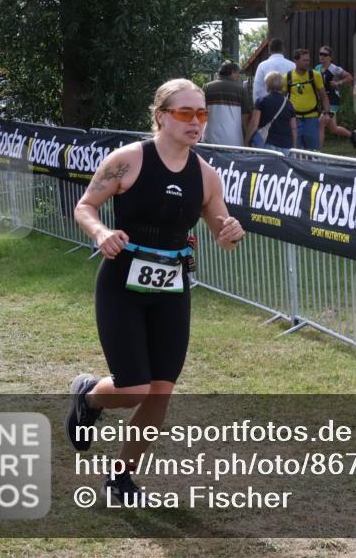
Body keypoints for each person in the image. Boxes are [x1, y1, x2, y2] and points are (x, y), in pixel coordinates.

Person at [68, 78, 245, 505]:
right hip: (122, 284)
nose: (196, 122)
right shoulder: (127, 161)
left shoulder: (205, 176)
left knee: (160, 391)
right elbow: (85, 206)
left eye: (202, 114)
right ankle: (90, 397)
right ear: (162, 116)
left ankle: (121, 478)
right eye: (185, 113)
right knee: (134, 389)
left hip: (172, 287)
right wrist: (101, 232)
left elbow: (220, 229)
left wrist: (230, 232)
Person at [315, 46, 356, 149]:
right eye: (320, 54)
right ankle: (352, 135)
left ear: (330, 57)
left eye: (325, 55)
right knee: (333, 128)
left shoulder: (334, 69)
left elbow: (349, 77)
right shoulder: (317, 68)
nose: (322, 56)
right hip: (324, 100)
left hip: (333, 101)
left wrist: (339, 82)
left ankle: (317, 153)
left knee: (321, 122)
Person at [285, 48, 329, 151]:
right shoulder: (288, 77)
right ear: (296, 61)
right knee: (296, 151)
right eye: (304, 60)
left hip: (312, 119)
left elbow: (323, 96)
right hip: (294, 120)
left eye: (308, 60)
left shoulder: (315, 75)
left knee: (313, 152)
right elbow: (281, 98)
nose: (307, 63)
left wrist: (327, 113)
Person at [202, 61, 251, 147]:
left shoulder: (207, 87)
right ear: (232, 73)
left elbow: (201, 112)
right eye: (238, 73)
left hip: (210, 139)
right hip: (234, 141)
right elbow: (245, 117)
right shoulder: (241, 90)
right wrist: (247, 138)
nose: (238, 76)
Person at [247, 71, 297, 154]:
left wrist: (246, 140)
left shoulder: (261, 101)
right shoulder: (289, 104)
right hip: (286, 144)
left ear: (268, 84)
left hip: (267, 142)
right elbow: (294, 128)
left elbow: (254, 124)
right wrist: (294, 146)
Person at [252, 38, 296, 105]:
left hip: (267, 106)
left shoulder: (262, 66)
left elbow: (257, 90)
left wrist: (258, 107)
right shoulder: (292, 65)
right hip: (288, 106)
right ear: (282, 49)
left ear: (269, 50)